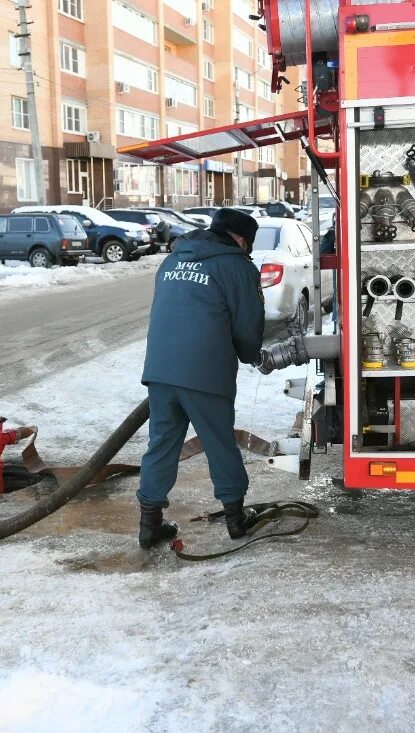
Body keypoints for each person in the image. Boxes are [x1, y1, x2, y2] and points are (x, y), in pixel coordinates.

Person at [137, 208, 265, 548]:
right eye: (248, 245)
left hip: (161, 370)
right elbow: (248, 326)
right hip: (205, 370)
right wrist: (251, 355)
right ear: (240, 240)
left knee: (161, 444)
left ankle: (149, 526)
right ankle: (237, 520)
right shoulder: (237, 266)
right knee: (218, 442)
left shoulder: (171, 261)